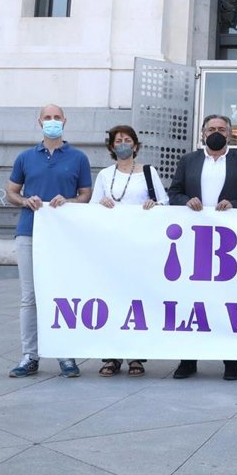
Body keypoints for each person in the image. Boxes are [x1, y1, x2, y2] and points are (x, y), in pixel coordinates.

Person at [168, 114, 237, 380]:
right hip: (194, 242)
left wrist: (235, 204)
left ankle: (231, 363)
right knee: (192, 300)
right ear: (203, 133)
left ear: (230, 133)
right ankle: (188, 361)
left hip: (229, 245)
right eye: (211, 129)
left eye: (221, 129)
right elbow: (174, 193)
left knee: (228, 301)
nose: (216, 133)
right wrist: (186, 201)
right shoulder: (189, 161)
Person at [4, 104, 92, 379]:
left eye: (56, 117)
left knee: (62, 294)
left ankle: (65, 354)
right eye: (48, 118)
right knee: (29, 297)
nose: (52, 121)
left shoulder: (78, 158)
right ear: (39, 122)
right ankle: (30, 355)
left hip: (64, 236)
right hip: (29, 232)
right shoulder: (25, 157)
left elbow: (86, 195)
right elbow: (11, 192)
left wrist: (69, 201)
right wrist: (24, 200)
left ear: (65, 121)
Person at [90, 124, 169, 377]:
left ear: (135, 145)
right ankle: (111, 356)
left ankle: (136, 356)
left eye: (127, 140)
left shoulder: (148, 172)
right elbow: (91, 207)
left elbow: (165, 203)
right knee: (112, 298)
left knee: (137, 300)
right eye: (118, 141)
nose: (122, 144)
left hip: (140, 248)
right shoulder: (105, 175)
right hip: (112, 248)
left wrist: (153, 205)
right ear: (112, 147)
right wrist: (102, 204)